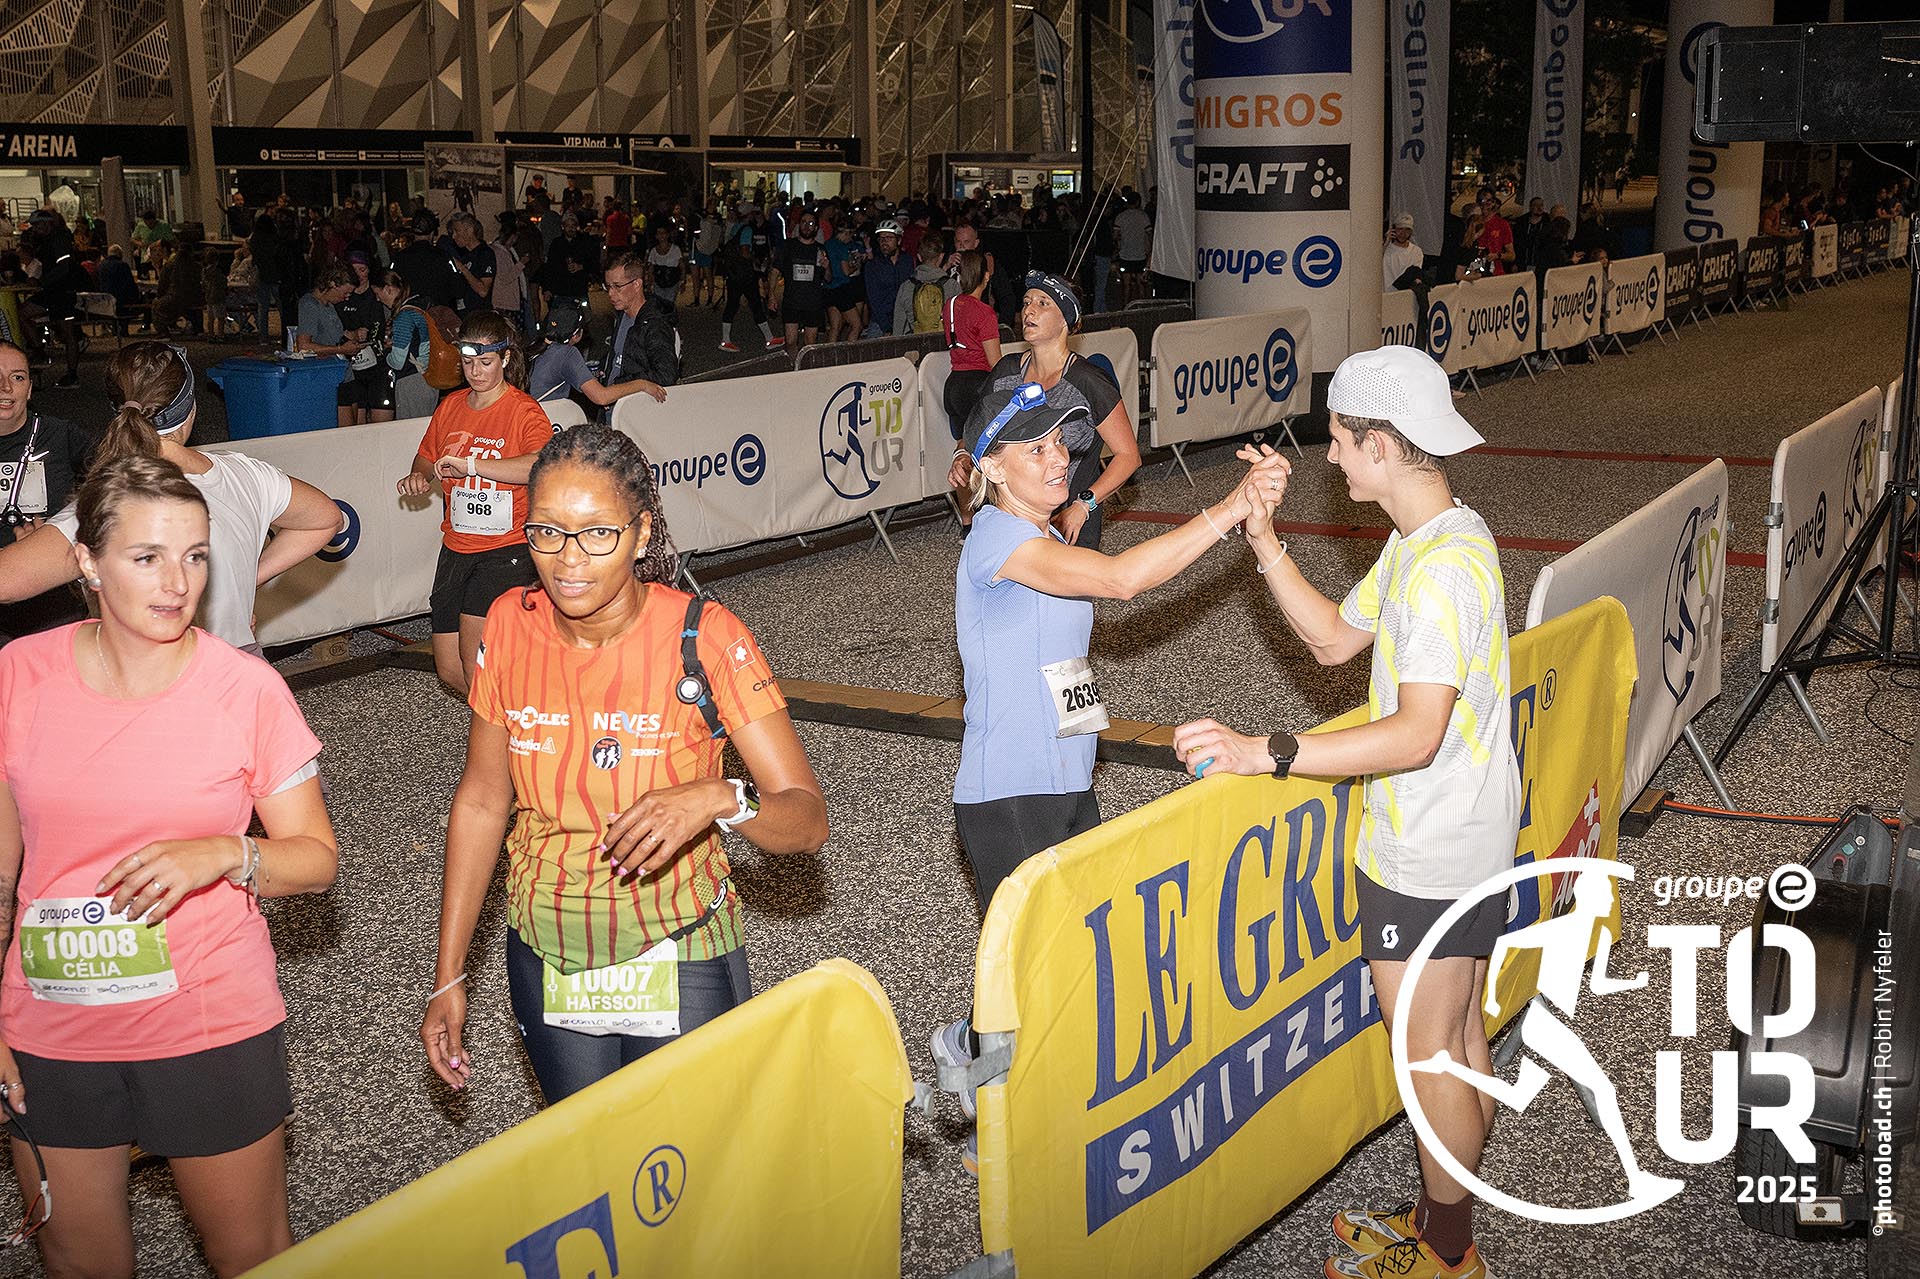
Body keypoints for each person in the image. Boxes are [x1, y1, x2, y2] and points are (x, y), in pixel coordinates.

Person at [1170, 346, 1520, 1279]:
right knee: (1457, 1036)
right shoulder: (1431, 538)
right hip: (1459, 832)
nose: (1328, 457)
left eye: (1339, 439)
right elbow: (1332, 641)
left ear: (1384, 445)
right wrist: (1264, 540)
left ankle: (1449, 1252)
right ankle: (1443, 1215)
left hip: (1432, 847)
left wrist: (1270, 751)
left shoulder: (1439, 572)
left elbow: (1416, 734)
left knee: (1427, 1057)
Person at [931, 384, 1288, 1168]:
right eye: (1035, 448)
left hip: (1065, 783)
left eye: (1062, 442)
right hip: (1006, 793)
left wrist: (1085, 744)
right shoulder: (994, 540)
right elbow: (1124, 580)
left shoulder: (1045, 532)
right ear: (992, 467)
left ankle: (976, 1047)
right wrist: (1231, 508)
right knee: (1032, 973)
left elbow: (1065, 660)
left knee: (1074, 959)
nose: (1059, 458)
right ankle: (1001, 1132)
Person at [0, 451, 338, 1279]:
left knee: (251, 1256)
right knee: (79, 1261)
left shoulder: (246, 690)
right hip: (51, 1019)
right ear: (87, 562)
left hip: (206, 1018)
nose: (178, 582)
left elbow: (316, 859)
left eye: (194, 555)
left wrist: (226, 852)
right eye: (147, 556)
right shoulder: (17, 675)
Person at [420, 424, 828, 1104]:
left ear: (640, 535)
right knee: (589, 1152)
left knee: (689, 1153)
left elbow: (807, 821)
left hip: (681, 944)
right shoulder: (509, 624)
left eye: (597, 534)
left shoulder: (705, 636)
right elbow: (484, 800)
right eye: (547, 532)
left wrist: (720, 797)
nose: (568, 560)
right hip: (546, 948)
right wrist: (449, 971)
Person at [0, 343, 343, 654]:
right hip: (240, 667)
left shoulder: (108, 501)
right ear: (190, 407)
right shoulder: (245, 473)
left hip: (157, 676)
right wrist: (243, 582)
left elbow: (7, 582)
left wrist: (40, 547)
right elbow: (325, 518)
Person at [394, 310, 554, 695]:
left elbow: (541, 465)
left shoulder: (523, 411)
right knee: (450, 670)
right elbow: (427, 456)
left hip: (505, 550)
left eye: (486, 362)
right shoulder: (451, 406)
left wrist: (472, 465)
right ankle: (512, 717)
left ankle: (508, 728)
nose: (476, 372)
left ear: (506, 359)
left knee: (475, 664)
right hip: (456, 548)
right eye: (468, 363)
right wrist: (420, 475)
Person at [946, 272, 1141, 549]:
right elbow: (976, 435)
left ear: (1066, 320)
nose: (1029, 310)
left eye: (1042, 303)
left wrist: (1083, 505)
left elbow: (1129, 456)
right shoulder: (1005, 372)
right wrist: (962, 456)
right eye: (1027, 302)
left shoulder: (1088, 381)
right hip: (1011, 523)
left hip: (1068, 522)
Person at [0, 342, 93, 640]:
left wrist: (63, 531)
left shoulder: (59, 434)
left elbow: (116, 478)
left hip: (52, 595)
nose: (5, 387)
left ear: (29, 389)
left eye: (17, 377)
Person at [528, 298, 667, 415]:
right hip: (539, 419)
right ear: (577, 335)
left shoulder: (536, 345)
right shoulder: (568, 353)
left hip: (523, 413)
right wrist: (642, 384)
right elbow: (601, 397)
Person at [294, 265, 367, 428]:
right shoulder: (309, 304)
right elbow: (303, 346)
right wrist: (341, 349)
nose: (346, 298)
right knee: (344, 432)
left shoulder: (328, 305)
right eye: (345, 293)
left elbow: (333, 335)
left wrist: (353, 335)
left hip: (344, 371)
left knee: (355, 428)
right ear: (333, 284)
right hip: (329, 375)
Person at [602, 253, 681, 401]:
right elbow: (620, 356)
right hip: (613, 401)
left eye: (617, 286)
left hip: (633, 406)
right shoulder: (622, 315)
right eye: (608, 286)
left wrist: (622, 385)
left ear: (637, 284)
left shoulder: (654, 325)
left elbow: (666, 375)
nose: (611, 293)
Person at [941, 250, 1002, 441]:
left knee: (963, 447)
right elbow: (995, 363)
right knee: (987, 449)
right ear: (986, 276)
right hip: (976, 386)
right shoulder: (985, 313)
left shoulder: (950, 305)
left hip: (953, 385)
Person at [773, 213, 830, 351]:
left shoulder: (820, 249)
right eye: (804, 222)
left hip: (813, 302)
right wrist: (771, 295)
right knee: (790, 342)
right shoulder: (788, 246)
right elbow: (775, 271)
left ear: (816, 228)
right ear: (799, 225)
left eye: (811, 223)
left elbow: (828, 278)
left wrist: (827, 267)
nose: (806, 226)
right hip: (792, 301)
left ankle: (807, 365)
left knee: (810, 343)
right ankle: (794, 364)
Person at [862, 219, 913, 338]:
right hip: (881, 322)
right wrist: (886, 327)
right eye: (881, 239)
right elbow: (874, 299)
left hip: (904, 320)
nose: (884, 242)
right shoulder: (873, 265)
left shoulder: (907, 261)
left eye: (889, 238)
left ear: (899, 240)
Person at [894, 235, 950, 336]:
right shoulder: (952, 285)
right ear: (941, 256)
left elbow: (899, 324)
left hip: (914, 343)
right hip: (943, 343)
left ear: (919, 257)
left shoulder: (906, 287)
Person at [442, 213, 497, 317]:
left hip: (479, 316)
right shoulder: (465, 255)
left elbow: (483, 291)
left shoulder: (485, 254)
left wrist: (462, 269)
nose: (454, 236)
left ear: (469, 230)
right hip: (463, 314)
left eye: (457, 231)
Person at [823, 219, 867, 343]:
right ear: (846, 233)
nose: (851, 239)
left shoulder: (827, 244)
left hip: (828, 288)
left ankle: (830, 353)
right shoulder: (841, 247)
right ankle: (849, 351)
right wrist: (857, 265)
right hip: (841, 289)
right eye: (850, 235)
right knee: (857, 325)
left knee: (835, 327)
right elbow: (846, 271)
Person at [1113, 194, 1153, 304]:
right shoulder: (1143, 216)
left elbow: (1115, 236)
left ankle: (1126, 306)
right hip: (1140, 254)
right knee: (1141, 283)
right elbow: (1149, 234)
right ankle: (1141, 307)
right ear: (1138, 202)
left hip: (1125, 254)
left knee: (1126, 284)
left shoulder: (1120, 217)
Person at [1472, 188, 1514, 275]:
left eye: (1488, 202)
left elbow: (1511, 255)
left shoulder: (1502, 224)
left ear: (1494, 203)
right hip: (1474, 271)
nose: (1484, 205)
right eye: (1481, 201)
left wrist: (1497, 255)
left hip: (1495, 272)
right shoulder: (1472, 222)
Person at [645, 220, 685, 307]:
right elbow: (651, 269)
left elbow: (682, 266)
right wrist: (649, 284)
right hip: (658, 283)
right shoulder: (653, 251)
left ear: (667, 235)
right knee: (659, 305)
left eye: (663, 233)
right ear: (656, 236)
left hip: (672, 282)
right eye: (659, 233)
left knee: (669, 304)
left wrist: (682, 281)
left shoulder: (675, 249)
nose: (661, 235)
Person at [690, 203, 724, 306]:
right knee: (696, 275)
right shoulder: (700, 216)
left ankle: (709, 298)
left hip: (704, 249)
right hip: (699, 249)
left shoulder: (713, 218)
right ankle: (697, 298)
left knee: (707, 274)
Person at [1383, 213, 1427, 290]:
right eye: (1400, 229)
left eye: (1407, 230)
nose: (1403, 233)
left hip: (1405, 294)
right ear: (1393, 230)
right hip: (1386, 294)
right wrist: (1385, 243)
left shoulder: (1416, 251)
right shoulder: (1385, 249)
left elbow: (1414, 277)